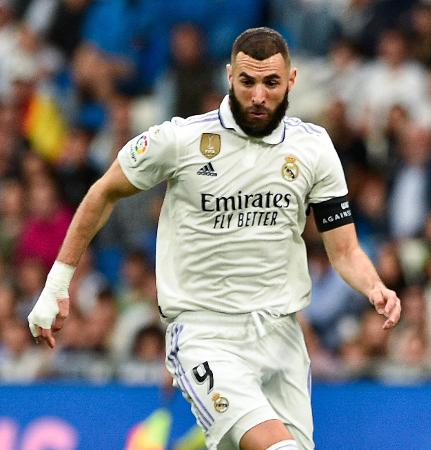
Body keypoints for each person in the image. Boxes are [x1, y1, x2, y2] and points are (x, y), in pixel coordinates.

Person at [28, 27, 401, 450]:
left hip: (282, 336)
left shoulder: (313, 148)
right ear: (229, 77)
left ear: (292, 81)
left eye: (271, 82)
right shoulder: (181, 140)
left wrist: (374, 287)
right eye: (248, 81)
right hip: (206, 335)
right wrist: (57, 284)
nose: (258, 94)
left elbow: (346, 249)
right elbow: (103, 191)